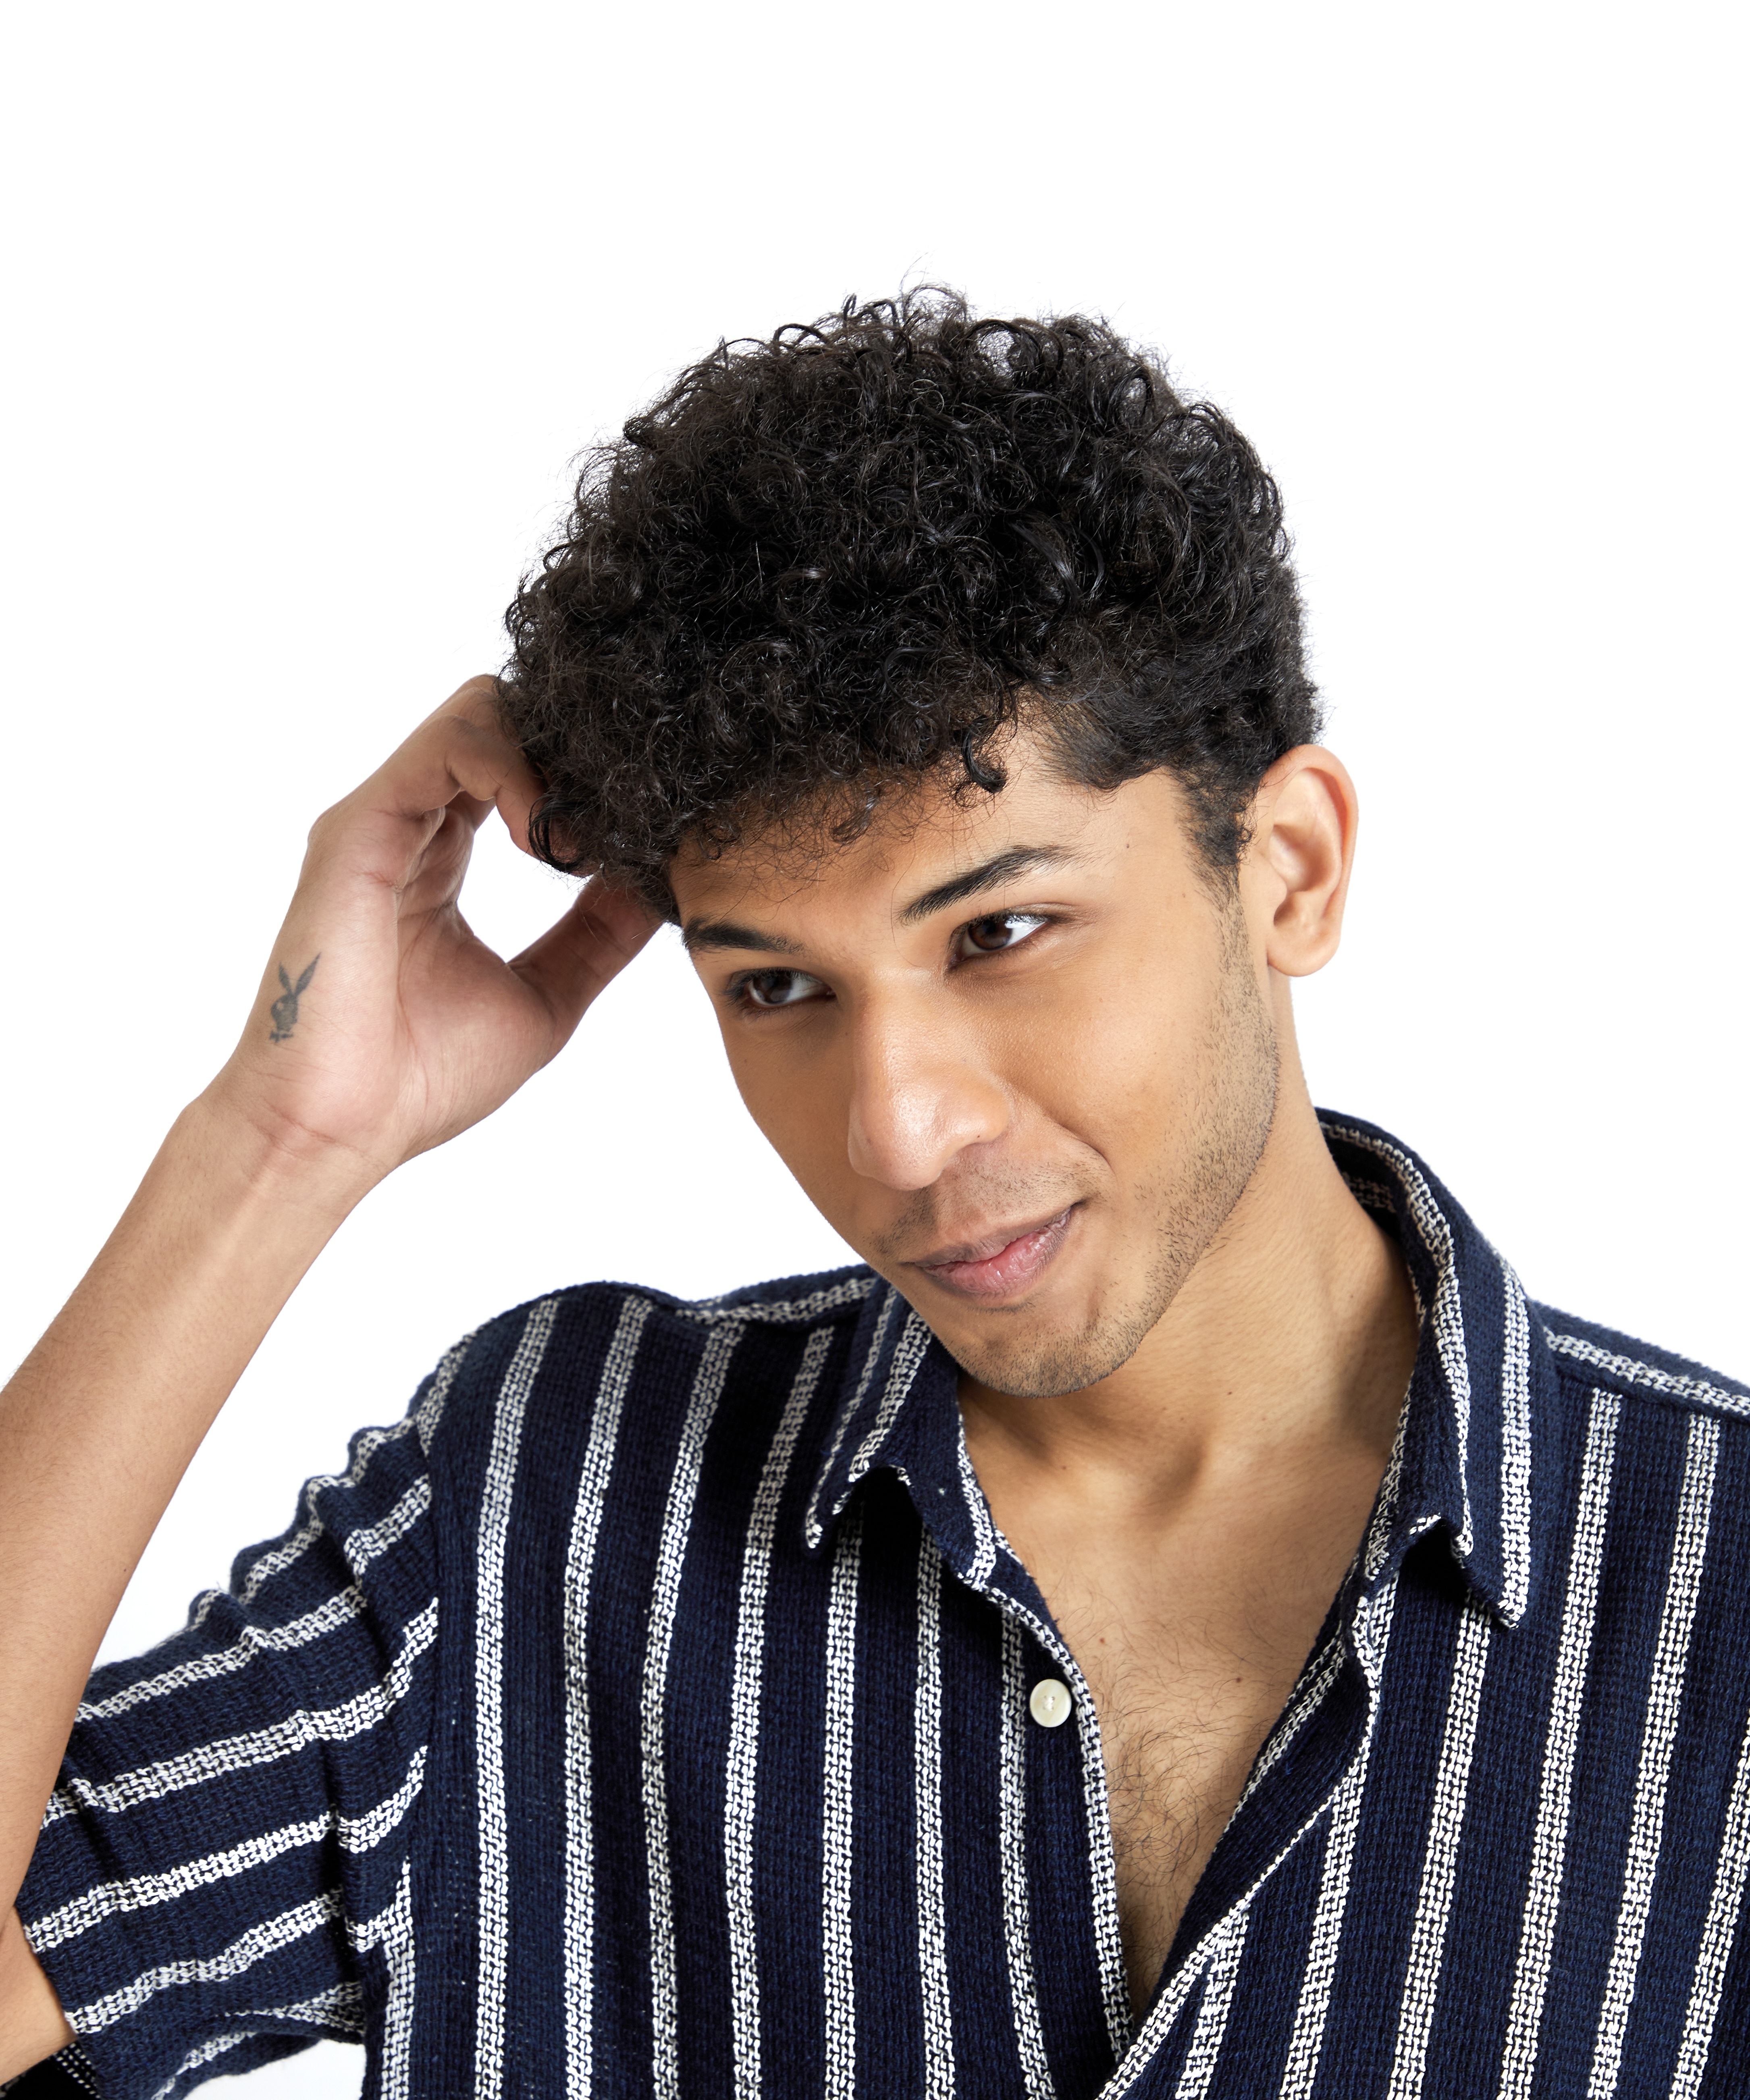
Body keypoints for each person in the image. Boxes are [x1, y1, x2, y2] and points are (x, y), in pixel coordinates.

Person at [0, 292, 1745, 2100]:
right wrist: (276, 1147)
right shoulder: (549, 1506)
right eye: (777, 987)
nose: (897, 1132)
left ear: (1288, 869)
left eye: (1001, 932)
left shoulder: (1722, 1593)